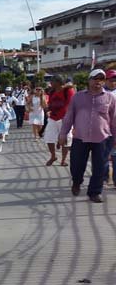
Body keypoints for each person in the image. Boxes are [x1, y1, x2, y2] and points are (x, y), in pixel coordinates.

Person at [59, 69, 116, 203]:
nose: (98, 81)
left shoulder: (110, 98)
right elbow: (69, 117)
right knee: (76, 165)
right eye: (95, 78)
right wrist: (63, 133)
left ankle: (95, 192)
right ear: (89, 80)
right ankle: (77, 182)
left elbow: (114, 119)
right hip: (80, 137)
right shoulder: (77, 97)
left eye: (101, 79)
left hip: (103, 138)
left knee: (100, 167)